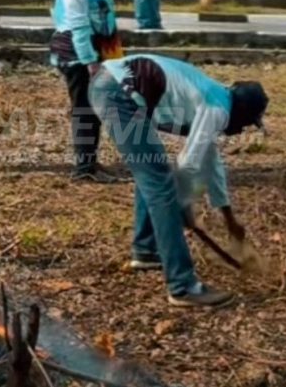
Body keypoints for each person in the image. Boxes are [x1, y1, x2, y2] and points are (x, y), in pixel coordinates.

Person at [89, 53, 268, 308]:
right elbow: (188, 163)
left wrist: (229, 219)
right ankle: (183, 286)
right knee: (161, 186)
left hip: (114, 85)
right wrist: (183, 205)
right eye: (248, 124)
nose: (242, 131)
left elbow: (210, 160)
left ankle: (147, 250)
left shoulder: (219, 98)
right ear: (241, 112)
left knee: (152, 171)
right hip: (117, 92)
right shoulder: (217, 108)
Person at [50, 0, 123, 182]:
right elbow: (78, 22)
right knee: (85, 107)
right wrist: (91, 61)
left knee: (94, 107)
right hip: (79, 53)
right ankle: (84, 169)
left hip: (94, 49)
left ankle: (90, 161)